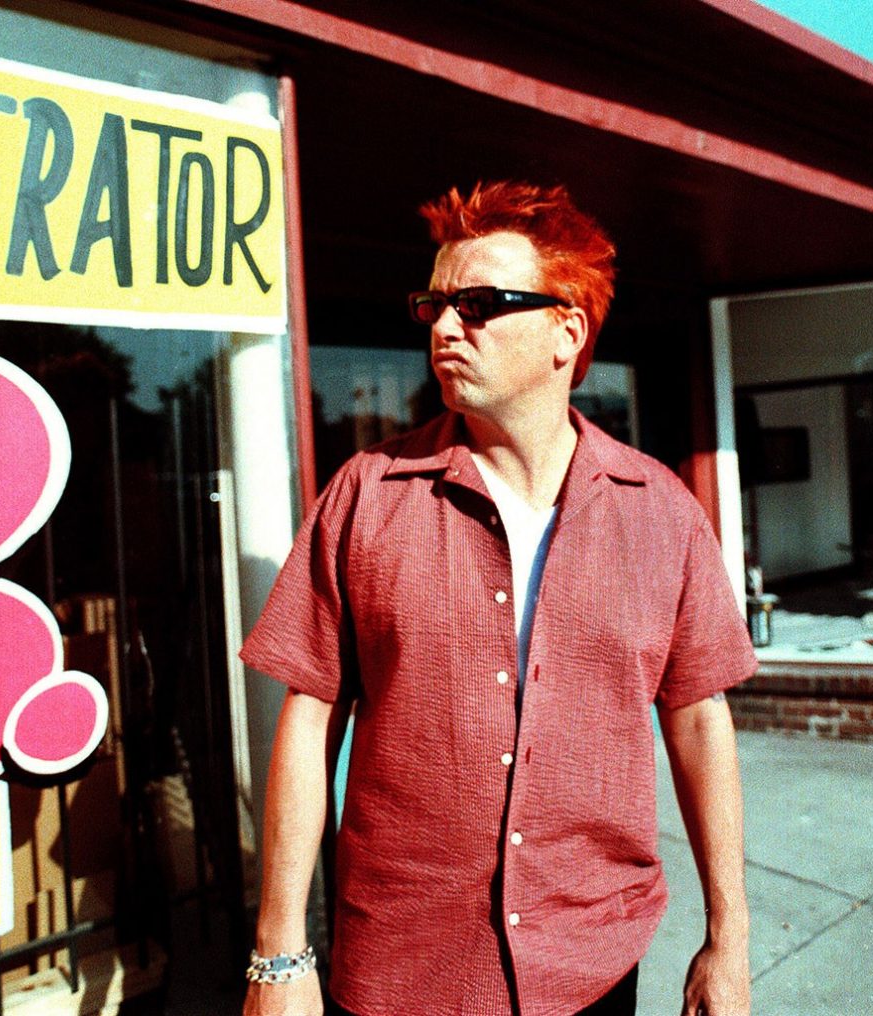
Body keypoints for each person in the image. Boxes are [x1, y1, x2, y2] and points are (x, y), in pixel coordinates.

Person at [240, 181, 757, 1016]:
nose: (444, 329)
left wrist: (728, 939)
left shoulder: (661, 511)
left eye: (478, 305)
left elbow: (699, 720)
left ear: (567, 333)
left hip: (590, 962)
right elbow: (309, 718)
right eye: (434, 306)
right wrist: (279, 955)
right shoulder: (366, 496)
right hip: (402, 967)